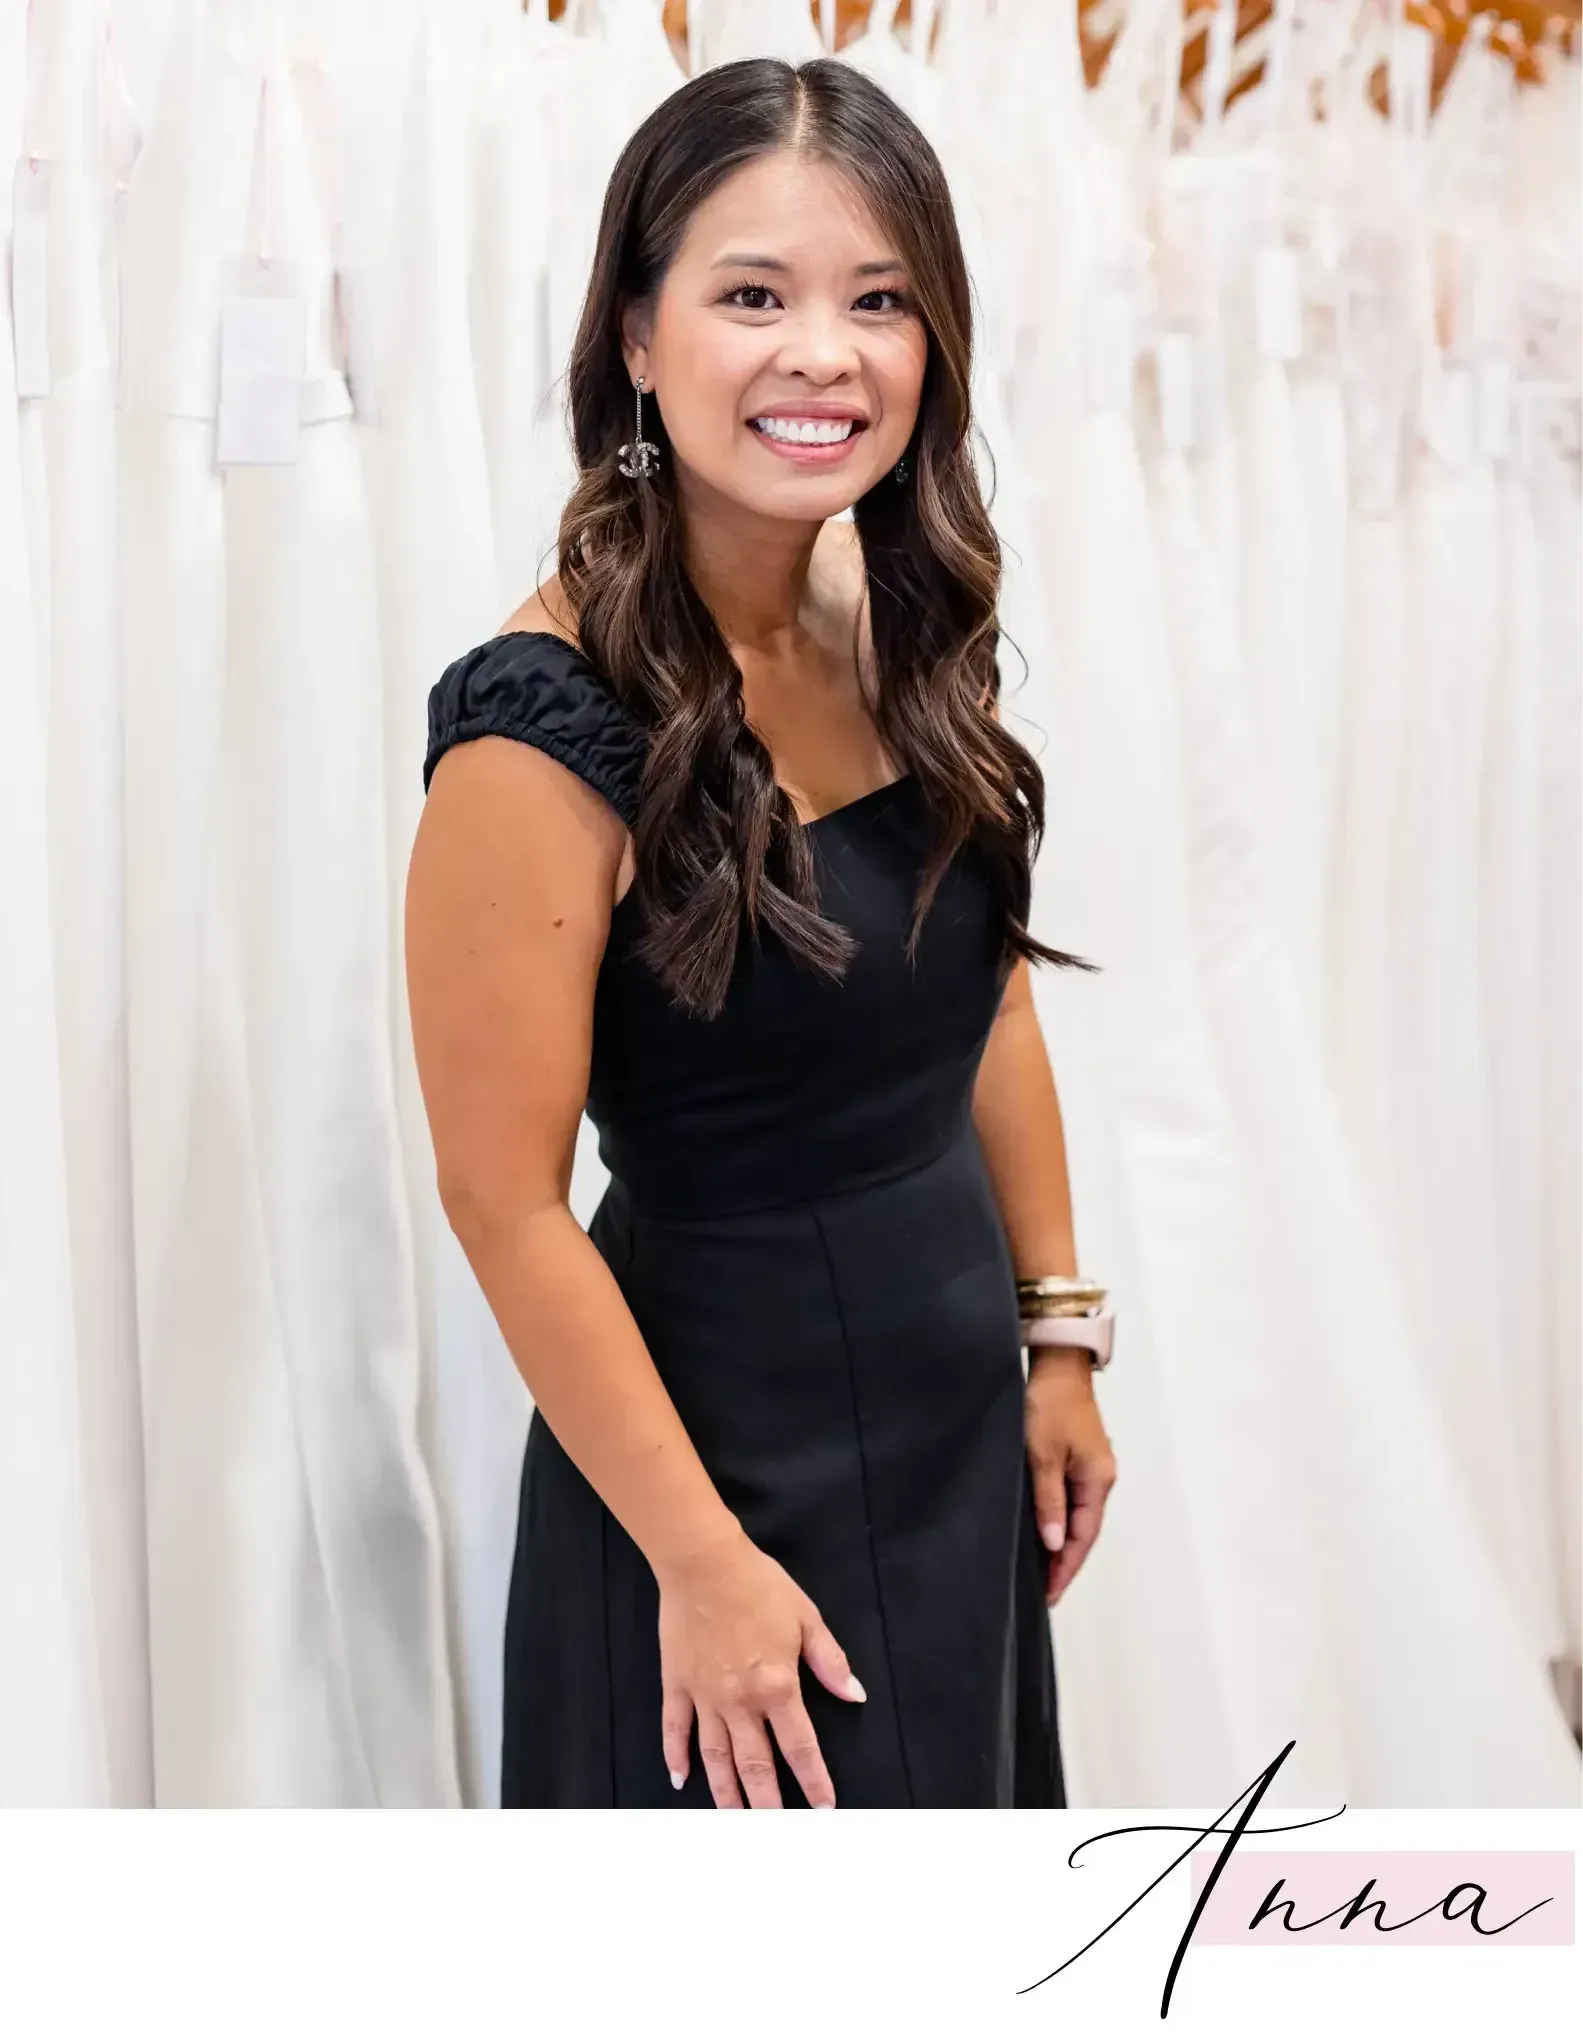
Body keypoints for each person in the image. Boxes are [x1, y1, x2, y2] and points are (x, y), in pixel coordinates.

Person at [405, 55, 1118, 1810]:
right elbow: (499, 1201)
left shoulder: (873, 605)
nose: (826, 353)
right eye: (753, 295)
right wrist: (700, 1564)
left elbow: (981, 993)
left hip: (954, 1416)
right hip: (722, 1462)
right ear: (635, 337)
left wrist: (1055, 1333)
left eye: (879, 300)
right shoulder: (536, 730)